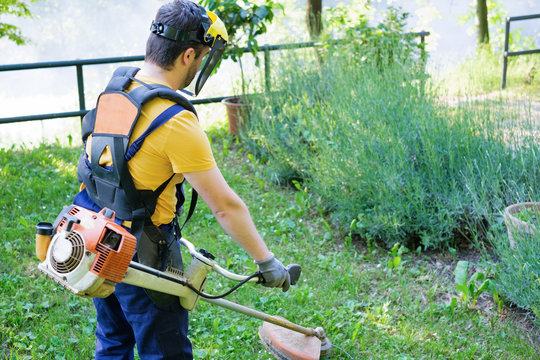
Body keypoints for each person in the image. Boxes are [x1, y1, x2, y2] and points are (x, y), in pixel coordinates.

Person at [73, 0, 291, 359]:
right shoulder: (175, 120)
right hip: (142, 256)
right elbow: (225, 207)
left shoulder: (117, 88)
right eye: (204, 55)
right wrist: (267, 262)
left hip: (98, 238)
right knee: (166, 351)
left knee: (112, 341)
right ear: (188, 55)